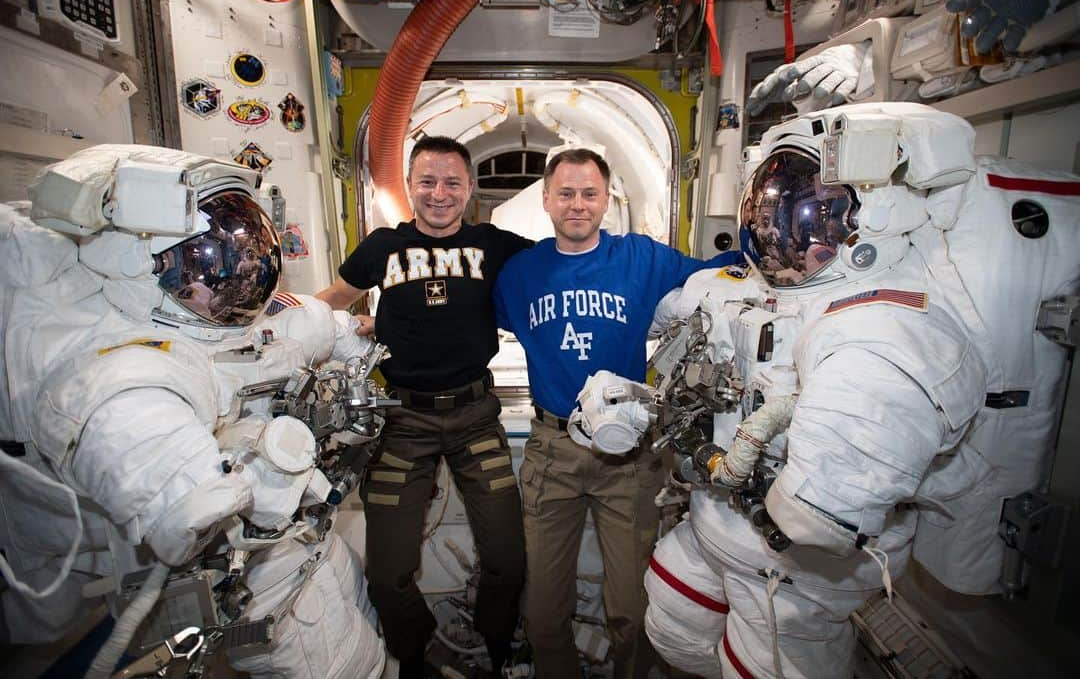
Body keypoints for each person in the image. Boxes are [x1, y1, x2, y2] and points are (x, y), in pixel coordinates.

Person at [642, 103, 1080, 678]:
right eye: (769, 210)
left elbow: (817, 516)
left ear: (866, 219)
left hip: (794, 569)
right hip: (713, 519)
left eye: (806, 216)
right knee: (672, 619)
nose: (779, 235)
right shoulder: (724, 290)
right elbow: (665, 361)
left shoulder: (882, 331)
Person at [0, 145, 385, 679]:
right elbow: (183, 506)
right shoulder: (120, 378)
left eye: (244, 251)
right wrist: (255, 474)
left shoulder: (243, 320)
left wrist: (356, 335)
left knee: (342, 578)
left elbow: (308, 322)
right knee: (323, 646)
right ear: (139, 262)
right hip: (255, 565)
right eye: (209, 262)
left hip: (302, 542)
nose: (235, 274)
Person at [492, 147, 742, 679]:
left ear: (607, 200)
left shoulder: (642, 259)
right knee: (542, 612)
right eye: (565, 193)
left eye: (588, 194)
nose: (577, 205)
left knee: (632, 609)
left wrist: (761, 242)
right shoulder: (520, 274)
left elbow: (711, 275)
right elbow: (465, 318)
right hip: (552, 448)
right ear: (546, 200)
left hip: (628, 453)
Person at [316, 136, 532, 678]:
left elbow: (562, 264)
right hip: (403, 421)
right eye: (428, 182)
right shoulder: (382, 246)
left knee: (507, 561)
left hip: (476, 418)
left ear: (470, 191)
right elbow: (327, 304)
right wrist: (264, 328)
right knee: (387, 573)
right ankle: (414, 655)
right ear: (409, 186)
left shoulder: (493, 244)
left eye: (452, 183)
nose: (440, 194)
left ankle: (497, 644)